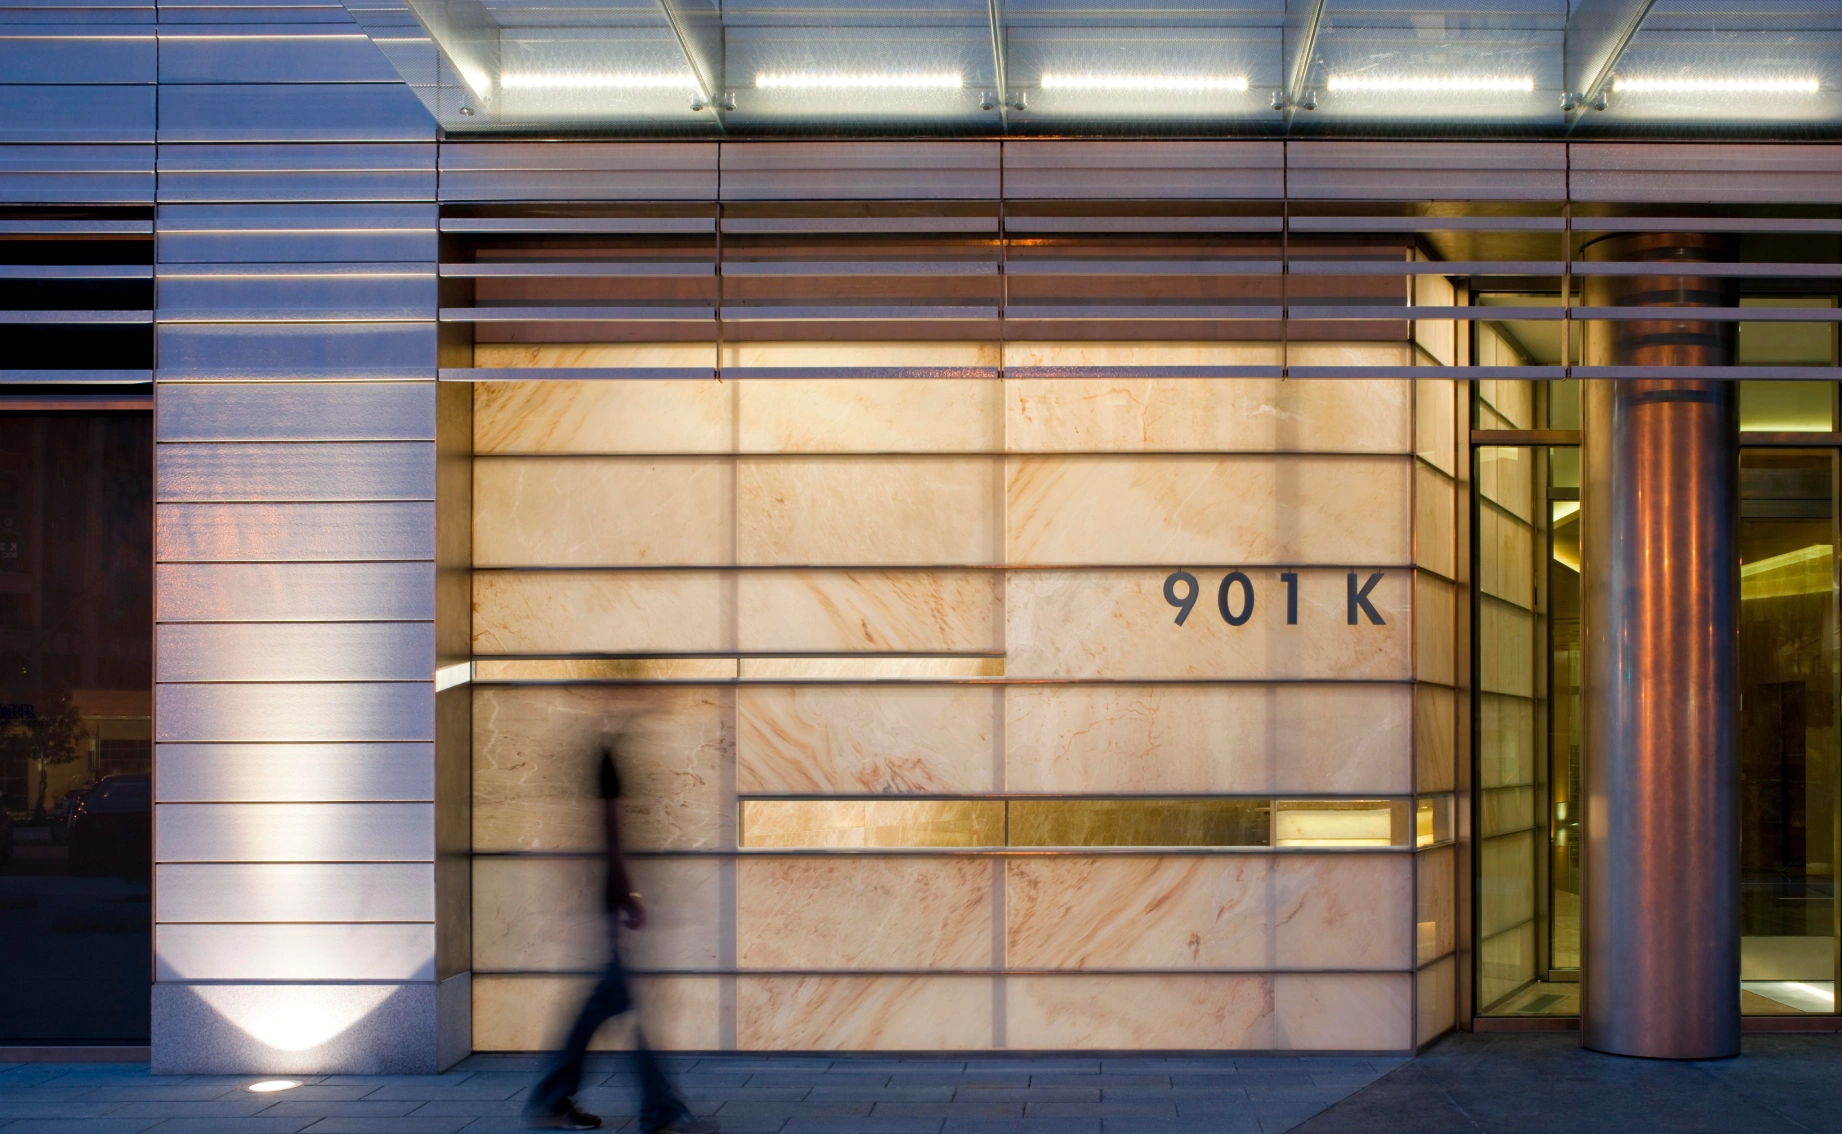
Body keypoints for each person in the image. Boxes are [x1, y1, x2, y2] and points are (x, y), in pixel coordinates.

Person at [524, 745, 719, 1133]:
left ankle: (552, 1098)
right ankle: (657, 1109)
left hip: (601, 917)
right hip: (605, 918)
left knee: (604, 1007)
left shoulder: (591, 797)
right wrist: (628, 898)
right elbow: (611, 845)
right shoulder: (606, 796)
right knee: (624, 1007)